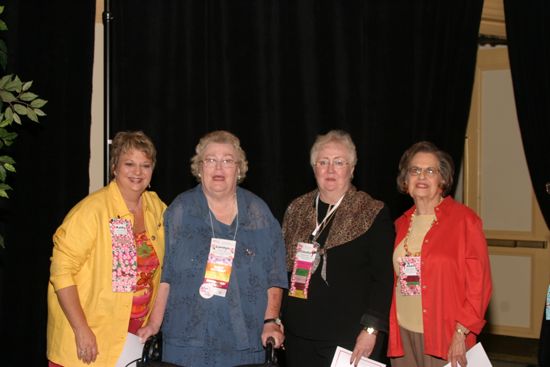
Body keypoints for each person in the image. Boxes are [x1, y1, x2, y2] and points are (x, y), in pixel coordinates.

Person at [138, 130, 287, 366]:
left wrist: (271, 321)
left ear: (239, 169)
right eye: (210, 160)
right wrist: (154, 325)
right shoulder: (180, 211)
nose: (219, 168)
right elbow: (166, 274)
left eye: (227, 160)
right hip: (187, 341)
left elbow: (275, 274)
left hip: (245, 342)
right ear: (199, 168)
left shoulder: (259, 213)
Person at [47, 131, 167, 366]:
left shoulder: (157, 207)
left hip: (134, 337)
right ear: (114, 167)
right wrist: (81, 329)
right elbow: (61, 273)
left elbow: (170, 263)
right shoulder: (90, 211)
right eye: (129, 164)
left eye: (145, 165)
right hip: (88, 336)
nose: (138, 172)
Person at [281, 130, 395, 367]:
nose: (330, 170)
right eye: (323, 162)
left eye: (339, 162)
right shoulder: (296, 209)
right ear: (314, 168)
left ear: (352, 169)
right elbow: (283, 270)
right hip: (298, 336)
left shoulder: (371, 211)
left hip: (349, 339)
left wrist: (371, 330)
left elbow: (383, 279)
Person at [388, 141, 492, 367]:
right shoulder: (401, 224)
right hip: (403, 333)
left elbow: (479, 286)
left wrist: (460, 333)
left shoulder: (465, 221)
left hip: (447, 334)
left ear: (443, 179)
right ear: (406, 181)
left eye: (430, 170)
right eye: (415, 170)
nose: (422, 176)